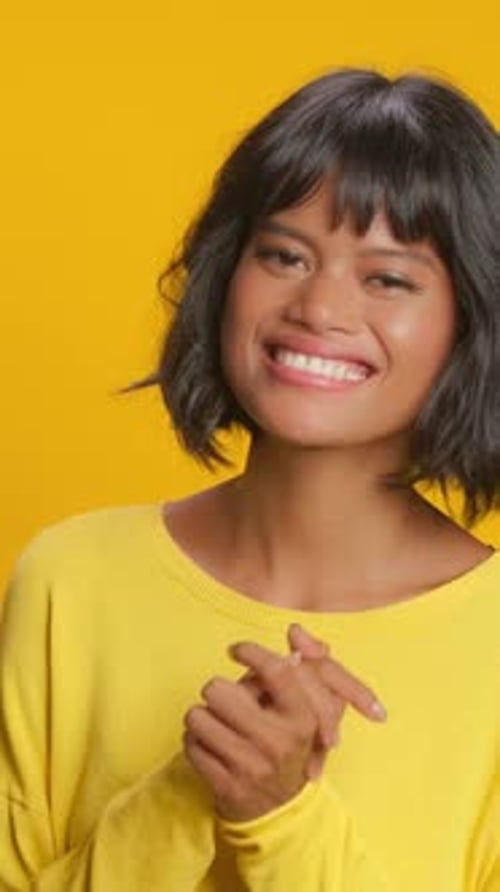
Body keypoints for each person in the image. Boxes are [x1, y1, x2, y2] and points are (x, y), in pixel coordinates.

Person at [1, 67, 499, 891]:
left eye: (387, 278)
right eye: (284, 254)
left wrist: (280, 818)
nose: (320, 307)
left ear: (471, 323)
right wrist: (191, 793)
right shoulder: (69, 582)